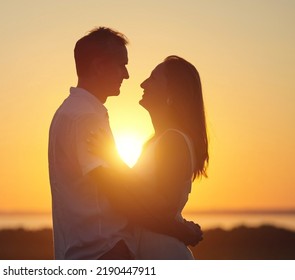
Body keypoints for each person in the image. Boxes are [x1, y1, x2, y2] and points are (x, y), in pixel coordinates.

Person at [48, 26, 202, 260]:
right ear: (99, 66)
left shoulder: (80, 112)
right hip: (103, 252)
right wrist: (179, 229)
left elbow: (131, 189)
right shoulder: (85, 116)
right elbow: (118, 193)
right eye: (122, 65)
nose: (128, 75)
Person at [88, 55, 209, 259]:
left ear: (171, 93)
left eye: (153, 79)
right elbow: (146, 197)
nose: (143, 83)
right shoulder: (156, 142)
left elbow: (161, 208)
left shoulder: (173, 141)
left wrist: (112, 162)